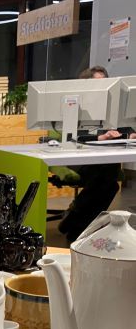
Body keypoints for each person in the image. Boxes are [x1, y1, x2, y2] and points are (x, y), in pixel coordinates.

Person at [57, 66, 136, 242]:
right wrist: (101, 137)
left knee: (109, 182)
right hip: (77, 159)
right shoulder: (76, 105)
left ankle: (76, 223)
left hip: (102, 162)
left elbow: (126, 127)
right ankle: (77, 224)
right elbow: (71, 136)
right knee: (108, 180)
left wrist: (129, 135)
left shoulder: (113, 107)